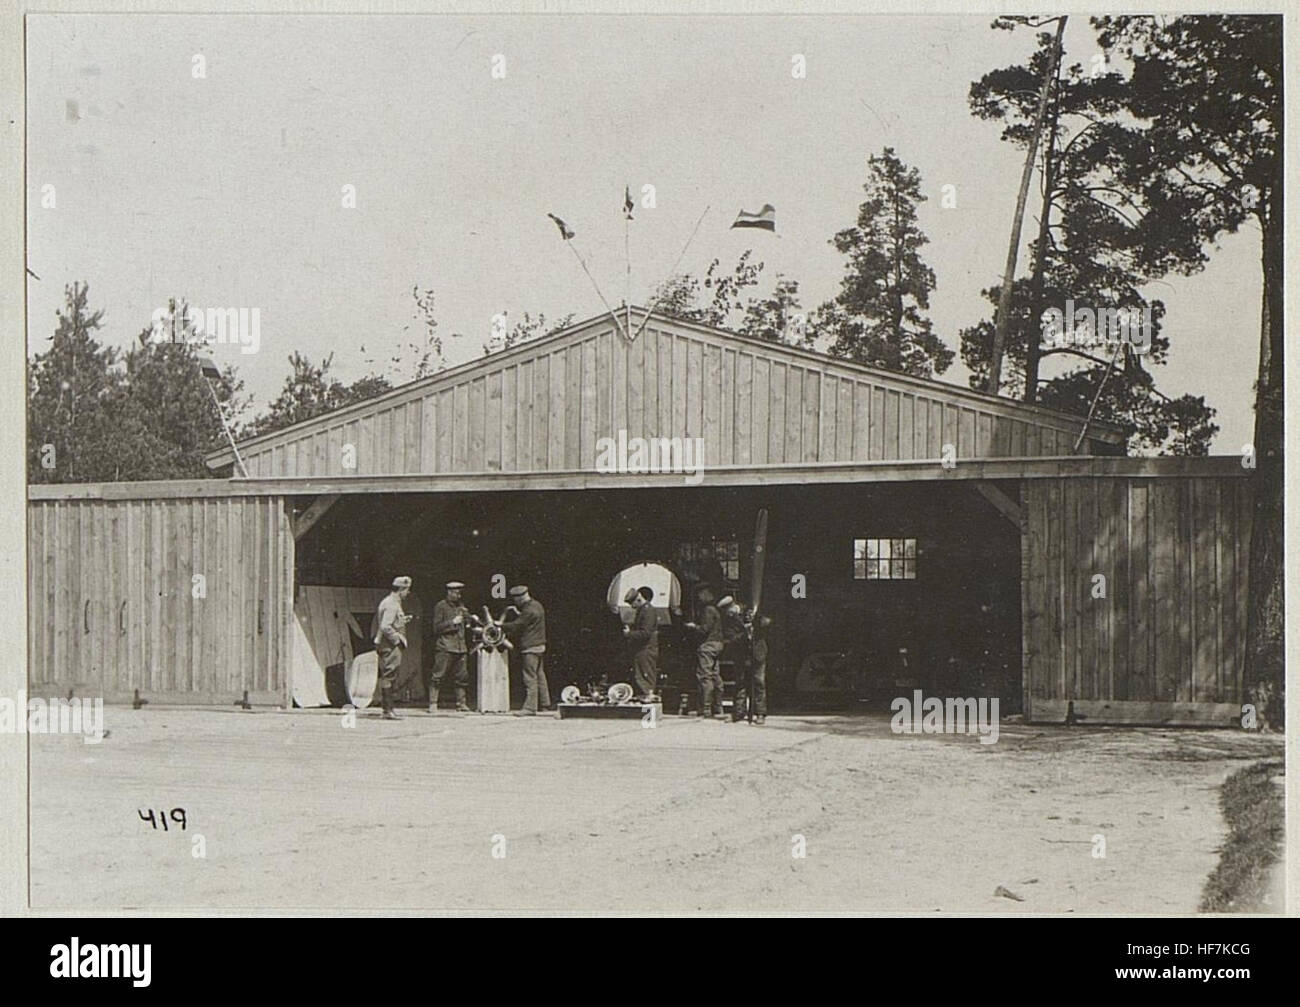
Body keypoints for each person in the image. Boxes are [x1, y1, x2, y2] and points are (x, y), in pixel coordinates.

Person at [502, 585, 549, 715]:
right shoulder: (537, 605)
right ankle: (545, 704)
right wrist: (518, 613)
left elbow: (517, 625)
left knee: (530, 677)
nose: (515, 602)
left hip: (530, 647)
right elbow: (528, 619)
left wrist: (500, 625)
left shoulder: (528, 611)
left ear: (521, 597)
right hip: (540, 646)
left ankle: (530, 708)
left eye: (516, 599)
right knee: (540, 675)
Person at [372, 576, 412, 721]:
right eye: (407, 590)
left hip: (387, 644)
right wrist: (397, 640)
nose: (408, 593)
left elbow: (389, 622)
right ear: (401, 589)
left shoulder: (391, 602)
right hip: (389, 645)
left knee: (389, 675)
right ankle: (387, 710)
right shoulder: (392, 604)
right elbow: (385, 626)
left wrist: (402, 620)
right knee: (389, 675)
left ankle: (387, 709)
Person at [684, 587, 728, 719]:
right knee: (715, 676)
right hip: (717, 644)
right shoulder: (715, 610)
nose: (699, 597)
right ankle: (718, 707)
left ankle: (705, 708)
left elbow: (704, 629)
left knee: (704, 676)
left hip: (708, 645)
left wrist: (693, 627)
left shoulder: (707, 610)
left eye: (701, 594)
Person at [430, 581, 471, 712]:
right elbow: (436, 627)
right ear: (449, 592)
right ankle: (433, 703)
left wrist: (468, 618)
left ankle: (461, 703)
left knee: (461, 677)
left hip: (460, 647)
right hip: (445, 646)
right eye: (456, 592)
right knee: (438, 675)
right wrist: (452, 622)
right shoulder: (441, 606)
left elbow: (467, 625)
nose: (458, 595)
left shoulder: (461, 606)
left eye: (460, 593)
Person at [622, 585, 659, 701]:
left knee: (646, 676)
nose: (632, 607)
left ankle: (649, 700)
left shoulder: (648, 611)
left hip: (646, 650)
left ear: (639, 599)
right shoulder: (643, 610)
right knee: (641, 675)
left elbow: (646, 632)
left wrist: (629, 634)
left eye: (632, 603)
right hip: (642, 650)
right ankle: (646, 699)